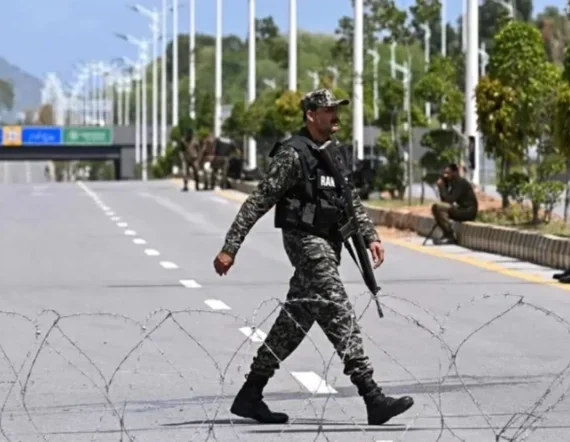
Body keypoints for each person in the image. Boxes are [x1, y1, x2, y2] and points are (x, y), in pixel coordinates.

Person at [213, 88, 414, 426]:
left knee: (294, 321)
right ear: (310, 115)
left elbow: (349, 199)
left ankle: (250, 393)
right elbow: (259, 200)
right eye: (328, 110)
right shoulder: (293, 154)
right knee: (337, 309)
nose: (335, 116)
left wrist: (370, 235)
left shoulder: (333, 152)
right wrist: (230, 247)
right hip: (306, 242)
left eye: (337, 109)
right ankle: (372, 395)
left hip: (330, 242)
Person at [431, 163, 478, 245]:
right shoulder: (453, 183)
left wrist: (442, 187)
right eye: (444, 173)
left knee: (437, 207)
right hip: (461, 209)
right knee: (436, 208)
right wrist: (444, 186)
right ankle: (446, 233)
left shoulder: (461, 183)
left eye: (448, 173)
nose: (445, 176)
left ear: (455, 172)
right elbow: (445, 201)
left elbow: (450, 200)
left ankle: (449, 235)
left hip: (468, 211)